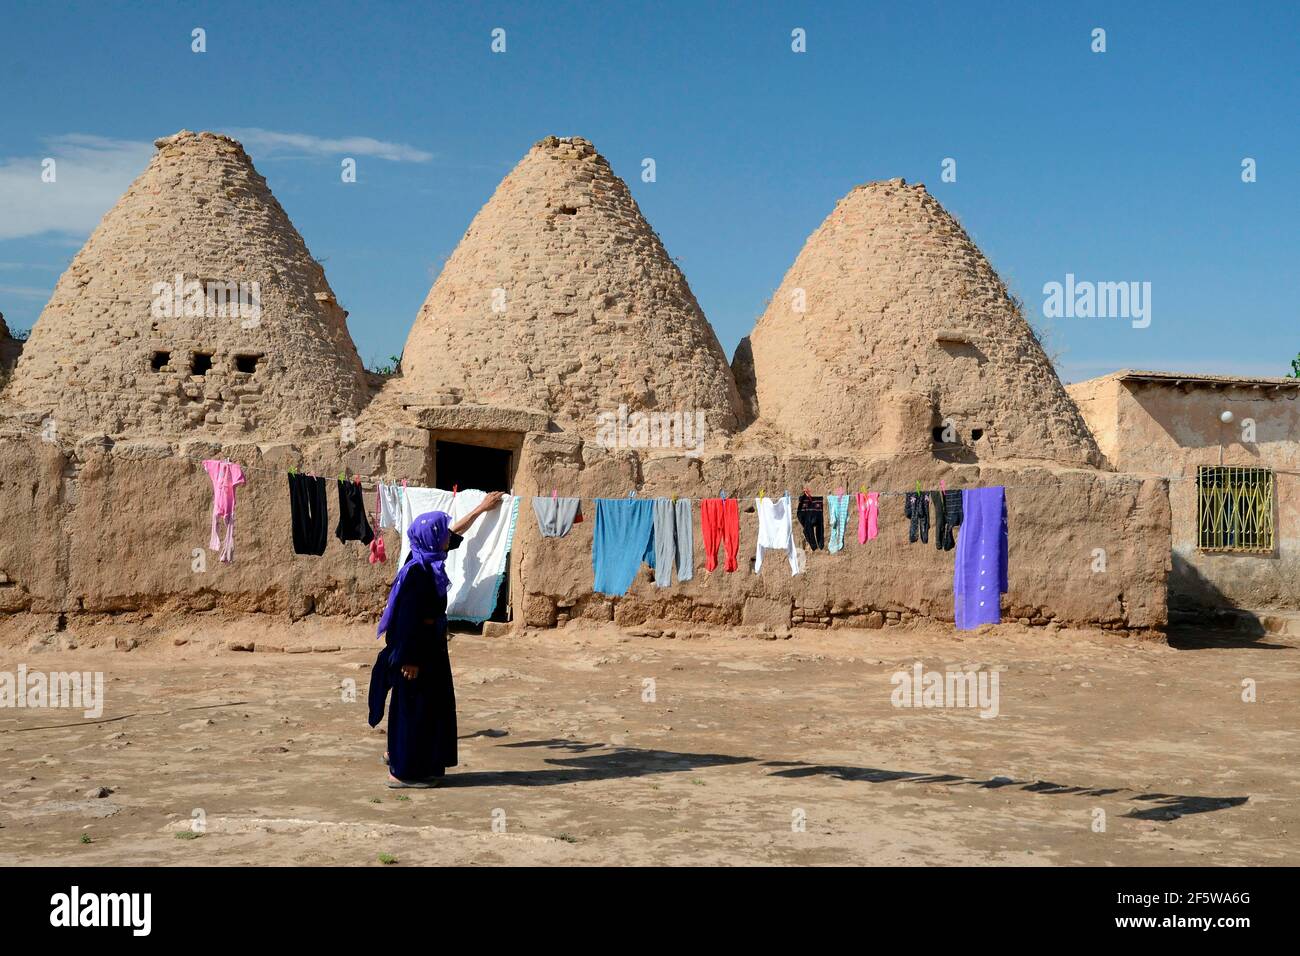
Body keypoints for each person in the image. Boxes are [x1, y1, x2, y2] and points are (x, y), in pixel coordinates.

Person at [368, 491, 506, 787]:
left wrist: (481, 509)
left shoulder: (426, 558)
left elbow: (454, 533)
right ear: (432, 538)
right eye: (441, 533)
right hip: (416, 652)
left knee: (426, 707)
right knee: (413, 707)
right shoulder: (418, 573)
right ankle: (403, 772)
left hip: (429, 648)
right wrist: (410, 659)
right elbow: (407, 620)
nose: (447, 537)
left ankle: (415, 761)